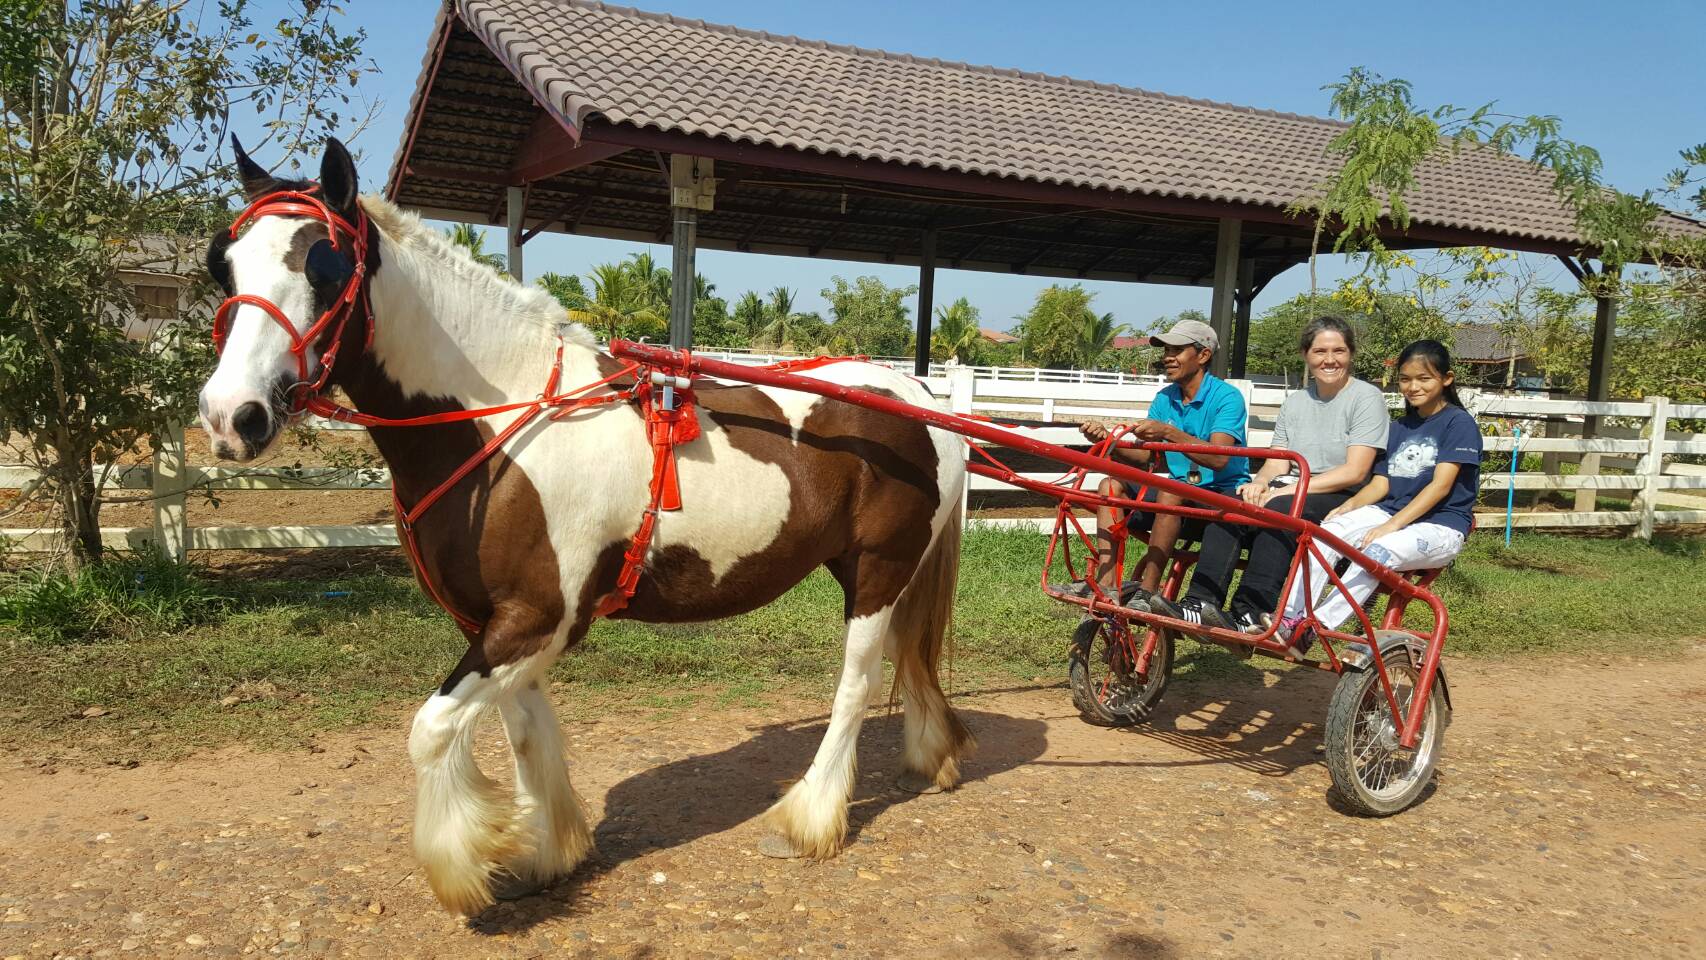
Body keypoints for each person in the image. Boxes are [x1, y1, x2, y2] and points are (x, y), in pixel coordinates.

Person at [1159, 316, 1388, 634]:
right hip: (1294, 484)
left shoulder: (1365, 398)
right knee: (1230, 501)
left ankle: (1250, 611)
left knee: (1280, 510)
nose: (1329, 360)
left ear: (1350, 354)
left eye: (1339, 351)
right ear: (1306, 355)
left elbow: (1355, 471)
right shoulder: (1296, 402)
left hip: (1342, 491)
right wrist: (1259, 482)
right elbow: (1277, 461)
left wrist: (1286, 491)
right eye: (1320, 351)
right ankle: (1200, 602)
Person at [1277, 339, 1482, 651]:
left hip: (1441, 524)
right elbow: (1381, 483)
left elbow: (1440, 486)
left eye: (1424, 378)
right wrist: (1350, 505)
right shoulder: (1399, 427)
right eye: (1405, 379)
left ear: (1446, 379)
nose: (1413, 387)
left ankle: (1316, 627)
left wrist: (1391, 526)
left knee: (1378, 552)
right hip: (1390, 512)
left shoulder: (1459, 424)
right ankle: (1289, 620)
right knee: (1322, 535)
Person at [1075, 318, 1249, 606]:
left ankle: (1148, 591)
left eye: (1177, 350)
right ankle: (1106, 585)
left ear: (1203, 355)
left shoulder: (1227, 398)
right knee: (1109, 485)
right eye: (1167, 350)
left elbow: (1219, 458)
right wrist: (1108, 442)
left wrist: (1168, 432)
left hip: (1221, 497)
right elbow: (1147, 458)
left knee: (1170, 491)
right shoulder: (1165, 398)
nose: (1168, 357)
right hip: (1180, 495)